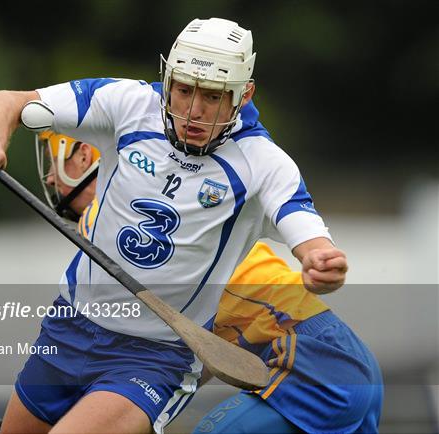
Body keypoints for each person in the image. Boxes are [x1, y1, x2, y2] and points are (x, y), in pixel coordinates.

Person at [0, 17, 350, 434]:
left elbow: (310, 237)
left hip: (155, 356)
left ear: (244, 94)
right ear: (168, 78)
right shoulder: (127, 102)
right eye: (183, 90)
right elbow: (9, 101)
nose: (193, 111)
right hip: (68, 328)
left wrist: (321, 262)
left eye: (214, 97)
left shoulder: (263, 163)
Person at [35, 132, 383, 433]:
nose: (50, 178)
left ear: (84, 156)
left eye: (54, 163)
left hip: (311, 363)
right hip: (343, 359)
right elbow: (193, 364)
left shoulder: (109, 225)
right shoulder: (173, 213)